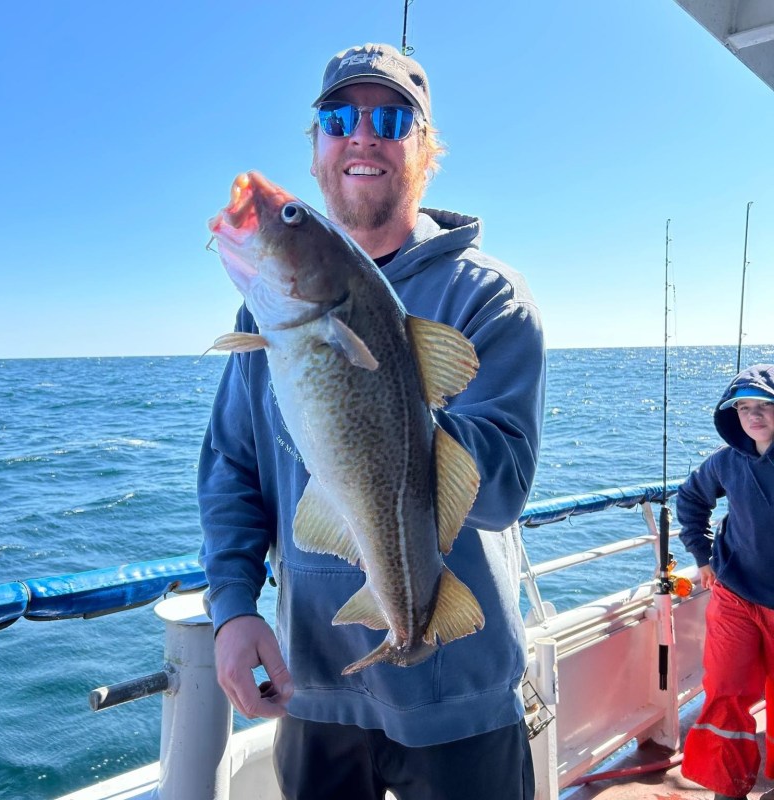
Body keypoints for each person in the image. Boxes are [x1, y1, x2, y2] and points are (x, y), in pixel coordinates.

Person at [198, 42, 545, 800]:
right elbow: (233, 466)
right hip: (314, 682)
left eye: (390, 118)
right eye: (337, 118)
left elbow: (500, 492)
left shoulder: (490, 298)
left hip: (462, 696)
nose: (362, 134)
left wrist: (390, 394)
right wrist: (231, 606)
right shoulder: (265, 311)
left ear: (425, 153)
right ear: (319, 150)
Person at [677, 363, 774, 800]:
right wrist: (702, 555)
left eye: (765, 406)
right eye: (744, 408)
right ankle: (726, 788)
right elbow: (691, 498)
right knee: (725, 690)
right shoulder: (725, 463)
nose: (754, 417)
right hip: (735, 594)